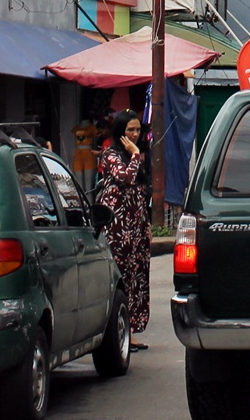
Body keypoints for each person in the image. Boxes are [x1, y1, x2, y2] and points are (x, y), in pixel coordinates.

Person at [97, 110, 151, 351]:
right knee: (120, 278)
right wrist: (135, 155)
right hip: (117, 227)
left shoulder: (135, 156)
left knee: (137, 278)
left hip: (137, 226)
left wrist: (146, 226)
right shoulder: (110, 155)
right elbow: (126, 178)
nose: (135, 134)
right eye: (130, 130)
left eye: (138, 130)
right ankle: (116, 332)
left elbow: (140, 191)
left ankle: (131, 331)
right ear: (120, 131)